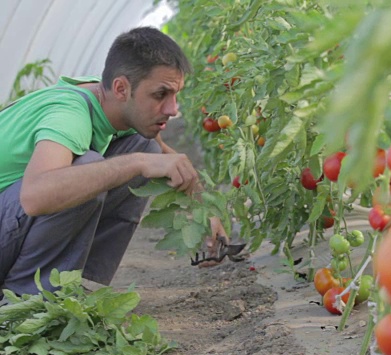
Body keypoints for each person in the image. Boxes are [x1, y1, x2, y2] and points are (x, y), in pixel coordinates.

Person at [0, 26, 226, 297]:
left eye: (175, 95)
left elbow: (168, 158)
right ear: (121, 88)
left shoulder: (110, 99)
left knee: (146, 148)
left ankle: (79, 285)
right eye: (160, 94)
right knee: (90, 169)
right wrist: (134, 164)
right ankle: (25, 302)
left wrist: (207, 212)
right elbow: (36, 195)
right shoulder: (69, 115)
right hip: (15, 213)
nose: (172, 109)